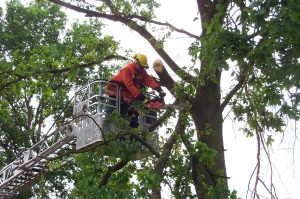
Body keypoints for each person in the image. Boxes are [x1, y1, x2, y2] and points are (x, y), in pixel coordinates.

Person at [106, 53, 166, 128]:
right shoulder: (127, 69)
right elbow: (130, 86)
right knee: (111, 111)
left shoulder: (141, 71)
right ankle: (107, 129)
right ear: (136, 62)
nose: (141, 68)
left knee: (124, 113)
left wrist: (159, 90)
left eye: (142, 67)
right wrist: (142, 98)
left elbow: (148, 80)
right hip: (115, 92)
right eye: (140, 66)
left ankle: (123, 133)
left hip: (126, 95)